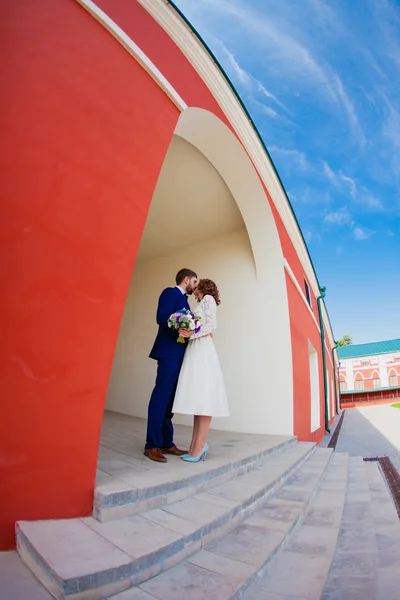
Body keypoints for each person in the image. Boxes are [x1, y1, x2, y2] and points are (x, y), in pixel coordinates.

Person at [144, 268, 198, 462]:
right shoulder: (170, 292)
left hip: (180, 354)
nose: (195, 285)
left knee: (171, 401)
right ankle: (152, 445)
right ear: (186, 279)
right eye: (194, 281)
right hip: (168, 352)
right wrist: (181, 325)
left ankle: (167, 443)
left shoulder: (185, 301)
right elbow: (162, 317)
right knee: (161, 397)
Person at [172, 279, 229, 462]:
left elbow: (212, 325)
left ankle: (199, 446)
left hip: (202, 348)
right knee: (198, 398)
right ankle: (194, 446)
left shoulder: (208, 299)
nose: (193, 289)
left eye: (196, 285)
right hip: (196, 347)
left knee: (203, 397)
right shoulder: (202, 302)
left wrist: (191, 334)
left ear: (202, 287)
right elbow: (203, 325)